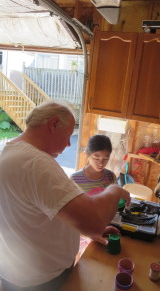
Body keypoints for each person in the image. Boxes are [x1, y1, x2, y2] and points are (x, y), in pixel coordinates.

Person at [0, 101, 130, 291]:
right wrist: (115, 190)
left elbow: (36, 216)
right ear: (53, 125)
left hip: (19, 275)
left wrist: (85, 230)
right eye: (69, 135)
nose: (70, 144)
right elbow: (93, 220)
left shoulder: (10, 154)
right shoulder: (35, 163)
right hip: (41, 282)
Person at [70, 134, 120, 259]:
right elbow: (71, 214)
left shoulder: (111, 177)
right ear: (87, 154)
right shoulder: (75, 179)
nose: (101, 163)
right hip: (83, 233)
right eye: (96, 158)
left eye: (105, 159)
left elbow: (114, 205)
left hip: (107, 229)